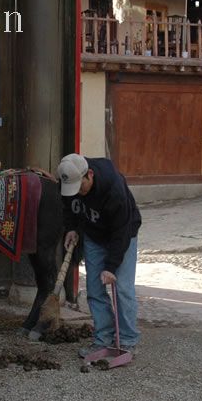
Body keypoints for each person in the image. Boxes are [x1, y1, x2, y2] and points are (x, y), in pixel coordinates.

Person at [57, 153, 142, 358]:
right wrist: (72, 228)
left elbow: (121, 232)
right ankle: (102, 339)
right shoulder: (69, 176)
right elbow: (69, 206)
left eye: (80, 187)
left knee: (122, 289)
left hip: (122, 235)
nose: (77, 193)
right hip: (93, 235)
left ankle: (128, 340)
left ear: (90, 175)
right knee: (95, 290)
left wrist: (111, 267)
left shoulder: (113, 189)